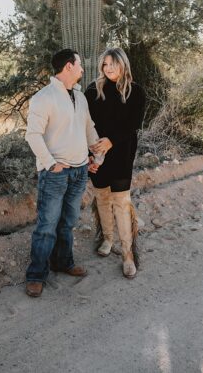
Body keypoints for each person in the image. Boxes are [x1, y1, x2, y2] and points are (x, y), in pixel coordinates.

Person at [23, 48, 109, 297]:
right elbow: (33, 135)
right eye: (79, 64)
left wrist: (97, 156)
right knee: (47, 225)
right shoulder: (44, 97)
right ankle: (36, 275)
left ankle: (63, 262)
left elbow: (88, 128)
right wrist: (51, 163)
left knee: (68, 222)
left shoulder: (80, 98)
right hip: (56, 173)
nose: (83, 68)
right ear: (69, 66)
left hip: (80, 170)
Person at [85, 47, 146, 278]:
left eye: (113, 63)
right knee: (101, 196)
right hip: (97, 153)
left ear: (123, 65)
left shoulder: (136, 92)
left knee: (121, 201)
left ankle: (128, 254)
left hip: (121, 153)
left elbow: (133, 125)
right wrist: (92, 153)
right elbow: (87, 123)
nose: (108, 68)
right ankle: (108, 239)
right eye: (105, 64)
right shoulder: (93, 90)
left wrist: (111, 141)